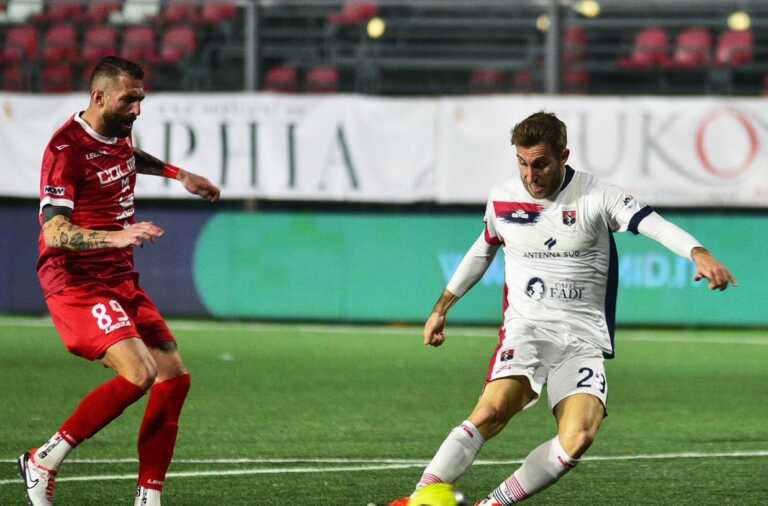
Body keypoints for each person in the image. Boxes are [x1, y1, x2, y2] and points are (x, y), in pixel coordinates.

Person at [391, 112, 736, 506]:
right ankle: (416, 500)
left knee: (578, 437)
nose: (530, 175)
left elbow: (653, 225)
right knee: (492, 411)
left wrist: (698, 253)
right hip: (527, 329)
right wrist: (442, 307)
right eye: (522, 163)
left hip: (583, 340)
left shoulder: (597, 196)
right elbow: (483, 249)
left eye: (540, 164)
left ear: (563, 156)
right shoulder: (503, 198)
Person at [18, 56, 220, 506]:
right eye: (129, 100)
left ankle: (148, 498)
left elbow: (126, 157)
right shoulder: (65, 151)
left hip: (120, 277)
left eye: (141, 99)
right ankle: (43, 461)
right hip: (76, 283)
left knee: (174, 379)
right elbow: (56, 232)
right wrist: (117, 236)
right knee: (140, 372)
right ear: (99, 96)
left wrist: (178, 174)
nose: (137, 110)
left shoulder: (117, 132)